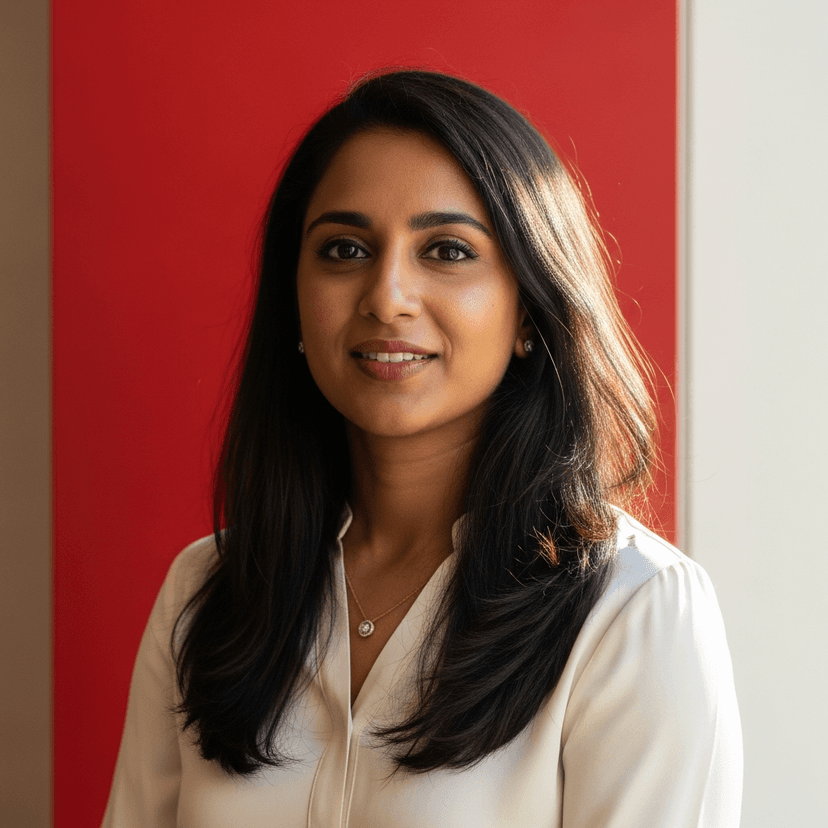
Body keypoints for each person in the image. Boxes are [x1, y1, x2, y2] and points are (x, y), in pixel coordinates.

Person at [101, 69, 742, 827]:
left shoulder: (634, 613)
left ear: (529, 308)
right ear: (294, 301)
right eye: (345, 249)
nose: (386, 296)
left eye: (447, 250)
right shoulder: (207, 593)